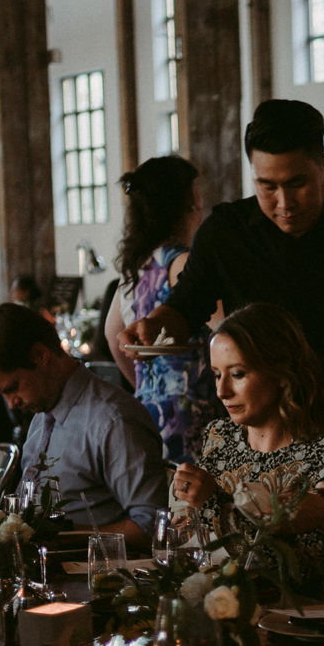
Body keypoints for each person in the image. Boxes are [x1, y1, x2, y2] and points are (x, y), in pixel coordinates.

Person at [122, 99, 324, 479]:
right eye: (267, 186)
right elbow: (186, 304)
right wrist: (154, 324)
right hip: (255, 445)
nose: (284, 203)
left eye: (297, 183)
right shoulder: (226, 233)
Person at [170, 303, 324, 590]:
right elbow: (193, 544)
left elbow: (299, 569)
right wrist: (183, 514)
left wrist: (212, 505)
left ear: (281, 374)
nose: (222, 392)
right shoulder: (219, 436)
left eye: (238, 374)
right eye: (217, 375)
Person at [0, 302, 168, 538]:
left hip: (89, 569)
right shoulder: (42, 413)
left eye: (13, 388)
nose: (11, 404)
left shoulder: (113, 420)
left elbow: (153, 527)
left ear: (41, 355)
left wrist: (61, 534)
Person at [109, 155, 220, 465]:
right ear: (190, 201)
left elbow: (112, 335)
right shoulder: (182, 262)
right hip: (192, 410)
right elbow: (226, 328)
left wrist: (146, 384)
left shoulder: (137, 265)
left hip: (146, 408)